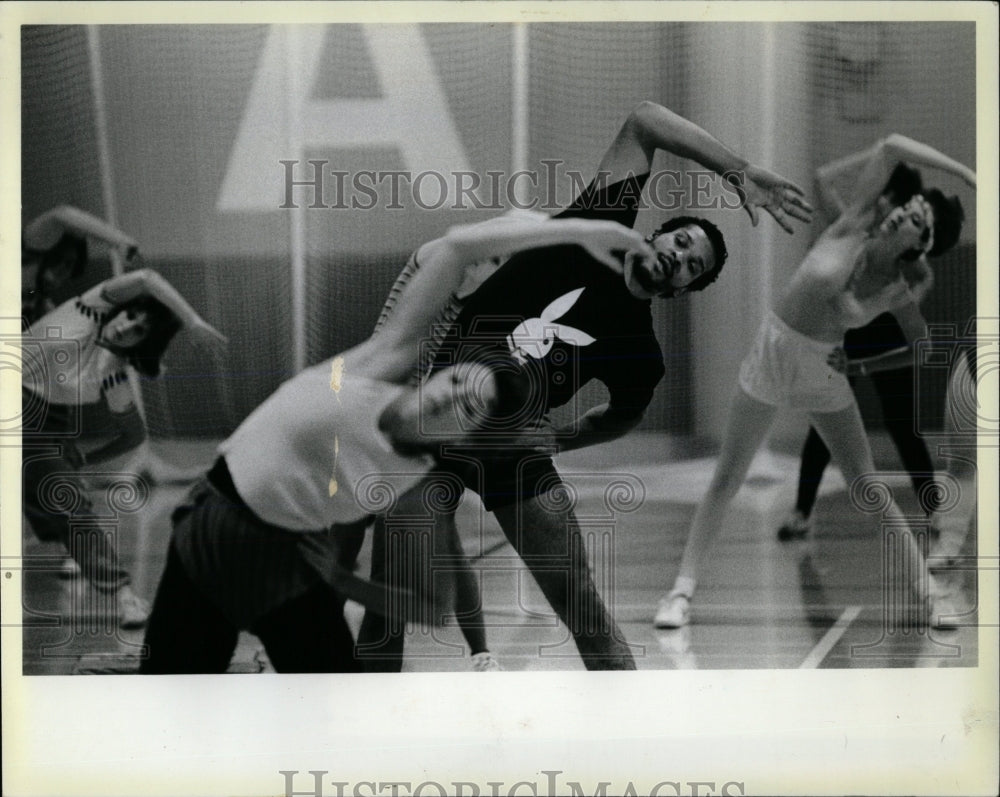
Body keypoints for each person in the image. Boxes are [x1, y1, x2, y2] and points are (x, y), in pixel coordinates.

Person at [356, 100, 813, 671]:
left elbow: (622, 417)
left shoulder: (640, 356)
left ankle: (635, 747)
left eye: (690, 265)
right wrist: (736, 171)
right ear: (655, 237)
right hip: (437, 421)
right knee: (388, 605)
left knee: (586, 614)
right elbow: (645, 120)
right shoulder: (598, 227)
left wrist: (563, 439)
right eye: (678, 243)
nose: (677, 258)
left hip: (515, 452)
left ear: (682, 288)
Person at [138, 211, 656, 674]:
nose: (446, 400)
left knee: (334, 720)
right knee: (175, 699)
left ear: (468, 433)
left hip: (288, 570)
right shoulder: (380, 363)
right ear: (442, 373)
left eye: (468, 408)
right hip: (212, 527)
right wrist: (587, 230)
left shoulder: (418, 487)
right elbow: (456, 246)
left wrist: (342, 585)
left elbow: (433, 603)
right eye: (455, 382)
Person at [654, 134, 975, 630]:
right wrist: (963, 172)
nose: (899, 214)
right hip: (772, 355)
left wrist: (865, 369)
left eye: (913, 218)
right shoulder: (853, 221)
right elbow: (888, 146)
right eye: (906, 206)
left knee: (869, 488)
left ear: (919, 243)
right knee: (727, 478)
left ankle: (930, 596)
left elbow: (922, 347)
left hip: (823, 372)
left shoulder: (894, 290)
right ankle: (679, 593)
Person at [21, 269, 225, 627]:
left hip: (45, 428)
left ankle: (125, 597)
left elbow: (132, 436)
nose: (126, 327)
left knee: (69, 502)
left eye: (139, 331)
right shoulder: (89, 309)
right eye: (131, 316)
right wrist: (192, 321)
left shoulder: (112, 368)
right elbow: (146, 278)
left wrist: (84, 458)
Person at [777, 161, 958, 541]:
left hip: (884, 335)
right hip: (845, 333)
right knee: (822, 428)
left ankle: (932, 510)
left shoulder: (902, 268)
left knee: (902, 428)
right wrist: (879, 154)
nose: (889, 205)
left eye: (899, 201)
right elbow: (822, 176)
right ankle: (802, 512)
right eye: (887, 196)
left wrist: (901, 307)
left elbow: (922, 329)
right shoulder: (855, 226)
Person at [21, 205, 138, 327]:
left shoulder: (43, 308)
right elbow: (61, 214)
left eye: (68, 265)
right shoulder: (24, 260)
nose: (59, 269)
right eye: (56, 258)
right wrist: (120, 242)